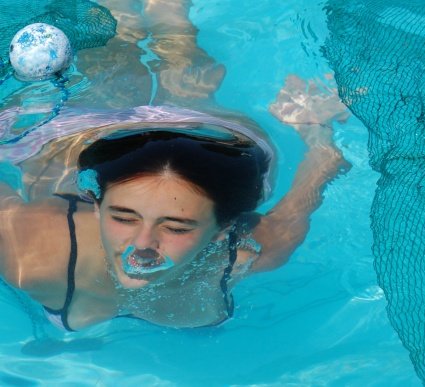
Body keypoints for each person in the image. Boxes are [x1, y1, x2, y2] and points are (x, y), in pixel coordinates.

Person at [0, 0, 350, 331]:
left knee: (156, 63)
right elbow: (315, 179)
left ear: (222, 229)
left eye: (177, 227)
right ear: (97, 204)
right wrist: (315, 135)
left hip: (207, 145)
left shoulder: (243, 254)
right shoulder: (32, 251)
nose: (142, 243)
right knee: (150, 54)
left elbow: (301, 202)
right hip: (108, 138)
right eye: (122, 217)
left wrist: (318, 137)